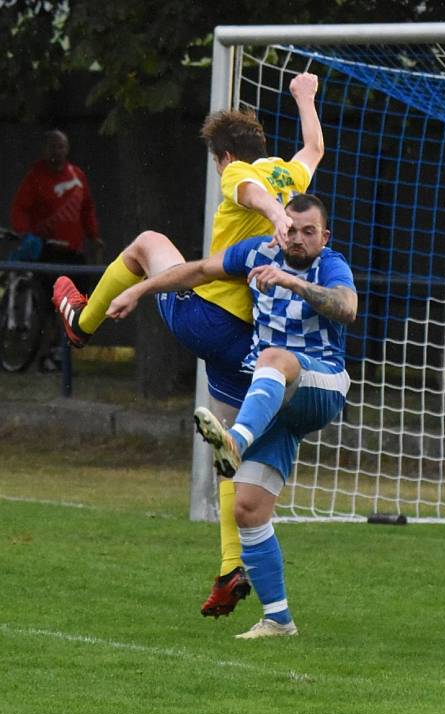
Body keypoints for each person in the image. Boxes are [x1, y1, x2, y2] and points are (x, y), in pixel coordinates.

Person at [51, 73, 324, 618]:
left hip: (209, 319)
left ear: (223, 156)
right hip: (251, 341)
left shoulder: (242, 173)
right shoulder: (287, 173)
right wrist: (304, 98)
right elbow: (313, 147)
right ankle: (229, 568)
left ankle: (83, 320)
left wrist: (272, 215)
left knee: (148, 243)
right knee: (227, 447)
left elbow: (247, 192)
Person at [107, 194, 357, 639]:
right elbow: (199, 270)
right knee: (247, 509)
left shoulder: (331, 265)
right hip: (277, 400)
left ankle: (234, 441)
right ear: (281, 228)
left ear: (325, 236)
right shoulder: (257, 252)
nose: (298, 238)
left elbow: (347, 307)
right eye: (292, 229)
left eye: (309, 231)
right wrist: (139, 289)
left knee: (275, 357)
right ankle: (278, 619)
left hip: (323, 385)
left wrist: (292, 283)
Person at [11, 129, 104, 370]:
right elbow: (20, 208)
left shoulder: (77, 176)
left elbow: (87, 209)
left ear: (67, 149)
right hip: (47, 249)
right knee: (51, 303)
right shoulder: (36, 177)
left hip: (73, 250)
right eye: (52, 146)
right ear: (45, 150)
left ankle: (63, 351)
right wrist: (25, 234)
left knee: (79, 302)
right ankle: (48, 352)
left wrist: (93, 236)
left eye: (60, 146)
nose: (56, 151)